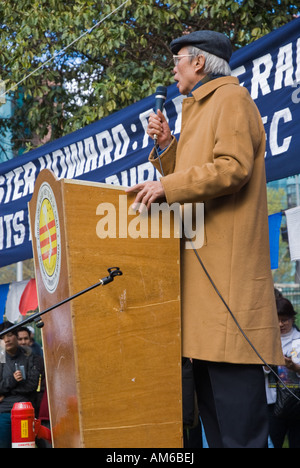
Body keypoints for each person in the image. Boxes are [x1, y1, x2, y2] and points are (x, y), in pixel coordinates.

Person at [126, 30, 284, 448]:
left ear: (198, 62)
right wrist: (167, 146)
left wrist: (167, 186)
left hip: (226, 294)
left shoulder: (232, 100)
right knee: (217, 434)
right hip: (202, 295)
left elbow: (231, 168)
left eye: (177, 59)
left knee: (240, 435)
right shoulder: (194, 109)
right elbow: (195, 176)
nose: (173, 68)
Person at [265, 295, 300, 448]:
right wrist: (267, 366)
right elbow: (261, 370)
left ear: (292, 318)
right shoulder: (267, 340)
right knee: (273, 441)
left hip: (297, 401)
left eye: (284, 319)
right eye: (277, 320)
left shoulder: (298, 339)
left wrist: (295, 368)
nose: (280, 324)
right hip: (272, 403)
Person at [0, 322, 40, 448]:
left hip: (25, 410)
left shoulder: (30, 357)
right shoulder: (1, 359)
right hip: (4, 412)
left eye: (10, 335)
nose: (6, 339)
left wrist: (5, 393)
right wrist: (13, 380)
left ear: (16, 336)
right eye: (2, 336)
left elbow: (32, 385)